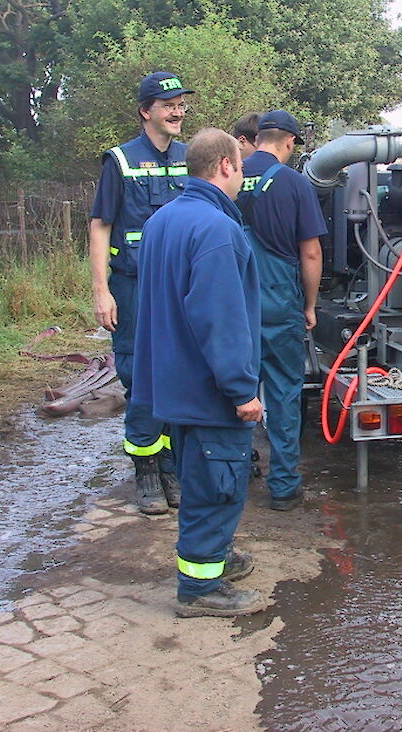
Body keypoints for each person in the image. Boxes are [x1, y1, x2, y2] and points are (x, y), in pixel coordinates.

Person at [131, 128, 267, 617]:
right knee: (219, 483)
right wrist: (240, 389)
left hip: (174, 382)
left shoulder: (162, 219)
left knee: (201, 475)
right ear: (226, 166)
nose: (244, 176)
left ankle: (214, 557)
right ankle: (199, 588)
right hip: (210, 388)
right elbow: (220, 318)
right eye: (242, 166)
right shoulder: (217, 230)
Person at [88, 71, 192, 515]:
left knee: (177, 374)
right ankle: (146, 471)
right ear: (146, 111)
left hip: (179, 288)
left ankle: (169, 464)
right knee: (140, 377)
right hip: (132, 287)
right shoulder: (121, 160)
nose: (178, 111)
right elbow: (100, 225)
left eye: (182, 104)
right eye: (169, 105)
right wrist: (101, 290)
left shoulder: (192, 157)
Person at [236, 109, 326, 511]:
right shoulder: (294, 183)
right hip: (278, 302)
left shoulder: (228, 175)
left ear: (257, 139)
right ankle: (284, 486)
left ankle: (233, 475)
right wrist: (309, 305)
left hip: (232, 303)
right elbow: (310, 252)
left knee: (233, 390)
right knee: (284, 393)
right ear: (289, 142)